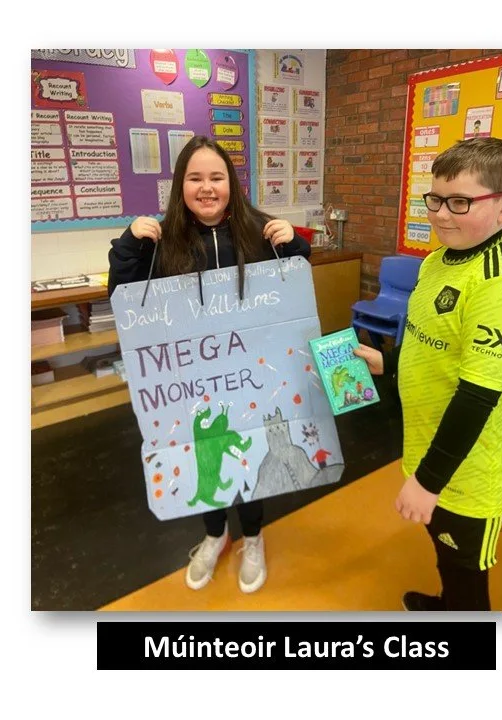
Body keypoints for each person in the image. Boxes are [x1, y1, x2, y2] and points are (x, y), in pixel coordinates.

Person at [108, 135, 311, 594]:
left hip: (251, 375)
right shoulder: (160, 240)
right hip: (189, 380)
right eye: (195, 178)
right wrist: (128, 248)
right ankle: (215, 535)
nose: (206, 187)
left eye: (216, 177)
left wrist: (295, 246)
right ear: (180, 185)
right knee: (202, 458)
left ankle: (253, 537)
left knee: (252, 453)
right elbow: (124, 299)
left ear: (231, 184)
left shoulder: (259, 231)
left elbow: (293, 291)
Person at [354, 137, 502, 611]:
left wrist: (428, 481)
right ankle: (447, 605)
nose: (440, 214)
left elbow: (479, 395)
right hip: (426, 443)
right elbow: (427, 343)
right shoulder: (437, 262)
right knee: (445, 553)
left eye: (460, 202)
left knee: (466, 571)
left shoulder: (497, 281)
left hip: (470, 471)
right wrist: (388, 364)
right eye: (435, 199)